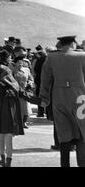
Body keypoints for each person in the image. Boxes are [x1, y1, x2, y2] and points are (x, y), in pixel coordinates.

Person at [40, 35, 85, 167]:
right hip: (80, 99)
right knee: (82, 133)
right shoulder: (82, 56)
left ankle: (65, 164)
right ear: (73, 44)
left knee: (63, 134)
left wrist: (44, 97)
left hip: (59, 98)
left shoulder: (52, 57)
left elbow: (45, 78)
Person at [0, 50, 24, 167]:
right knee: (9, 136)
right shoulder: (13, 86)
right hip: (10, 112)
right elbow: (21, 93)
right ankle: (9, 160)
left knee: (1, 136)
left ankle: (2, 159)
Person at [12, 55, 34, 128]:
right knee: (16, 107)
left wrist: (30, 83)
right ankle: (16, 122)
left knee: (26, 108)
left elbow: (31, 78)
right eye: (19, 62)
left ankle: (24, 122)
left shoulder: (26, 70)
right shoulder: (12, 70)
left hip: (25, 90)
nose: (21, 64)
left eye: (22, 62)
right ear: (15, 63)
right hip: (16, 91)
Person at [33, 45, 47, 117]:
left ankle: (40, 112)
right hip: (47, 80)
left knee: (40, 96)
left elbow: (35, 69)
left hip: (39, 80)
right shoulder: (48, 58)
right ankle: (48, 112)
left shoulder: (39, 59)